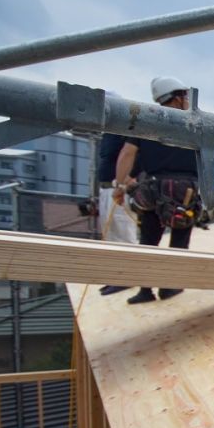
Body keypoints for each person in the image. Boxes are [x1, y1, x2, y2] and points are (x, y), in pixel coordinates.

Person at [114, 77, 203, 305]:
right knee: (179, 240)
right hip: (185, 191)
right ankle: (169, 287)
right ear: (175, 97)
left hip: (154, 188)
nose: (186, 100)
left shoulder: (146, 120)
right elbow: (207, 159)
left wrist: (120, 185)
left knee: (149, 240)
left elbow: (127, 153)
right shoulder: (195, 124)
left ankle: (146, 290)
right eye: (183, 95)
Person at [96, 103, 140, 295]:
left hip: (119, 188)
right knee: (110, 233)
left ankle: (128, 277)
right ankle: (115, 277)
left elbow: (135, 156)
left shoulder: (126, 131)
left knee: (123, 231)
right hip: (106, 188)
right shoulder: (108, 134)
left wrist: (127, 182)